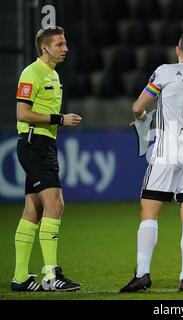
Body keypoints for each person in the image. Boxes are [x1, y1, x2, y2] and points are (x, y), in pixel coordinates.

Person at [119, 32, 183, 292]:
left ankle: (142, 274)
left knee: (149, 211)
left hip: (167, 152)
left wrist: (142, 119)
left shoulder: (165, 72)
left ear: (178, 50)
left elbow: (137, 106)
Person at [12, 26, 82, 292]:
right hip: (34, 144)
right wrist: (59, 119)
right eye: (60, 44)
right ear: (45, 48)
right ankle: (51, 275)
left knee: (34, 209)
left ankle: (20, 278)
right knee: (56, 205)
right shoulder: (32, 72)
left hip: (43, 145)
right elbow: (22, 112)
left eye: (65, 44)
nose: (65, 48)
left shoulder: (52, 74)